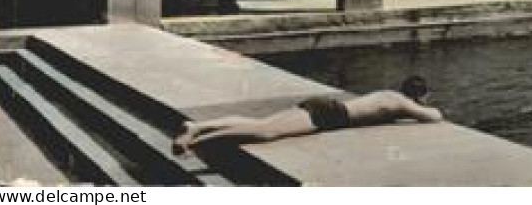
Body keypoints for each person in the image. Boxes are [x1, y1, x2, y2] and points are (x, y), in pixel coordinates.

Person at [172, 76, 442, 154]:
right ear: (419, 96)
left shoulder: (387, 94)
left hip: (326, 107)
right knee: (266, 132)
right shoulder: (400, 102)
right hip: (329, 115)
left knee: (260, 124)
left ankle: (198, 126)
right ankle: (195, 142)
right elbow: (433, 117)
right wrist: (427, 106)